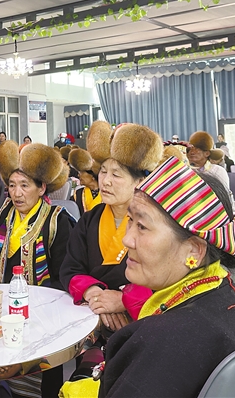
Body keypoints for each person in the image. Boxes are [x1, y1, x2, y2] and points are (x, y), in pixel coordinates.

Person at [71, 157, 235, 398]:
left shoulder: (164, 342)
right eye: (130, 220)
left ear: (193, 250)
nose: (127, 239)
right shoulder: (226, 294)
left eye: (142, 227)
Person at [0, 141, 74, 398]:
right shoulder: (5, 213)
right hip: (4, 312)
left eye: (25, 186)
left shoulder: (57, 221)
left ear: (42, 188)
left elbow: (64, 277)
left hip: (44, 316)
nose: (17, 193)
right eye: (12, 185)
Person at [62, 122, 163, 336]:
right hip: (92, 315)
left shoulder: (155, 224)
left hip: (143, 322)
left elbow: (167, 277)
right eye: (103, 172)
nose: (105, 181)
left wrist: (124, 300)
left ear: (139, 181)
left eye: (116, 175)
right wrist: (94, 293)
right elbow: (71, 267)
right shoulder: (89, 220)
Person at [68, 147, 102, 215]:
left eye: (81, 172)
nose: (78, 175)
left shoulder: (107, 194)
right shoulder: (78, 194)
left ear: (92, 176)